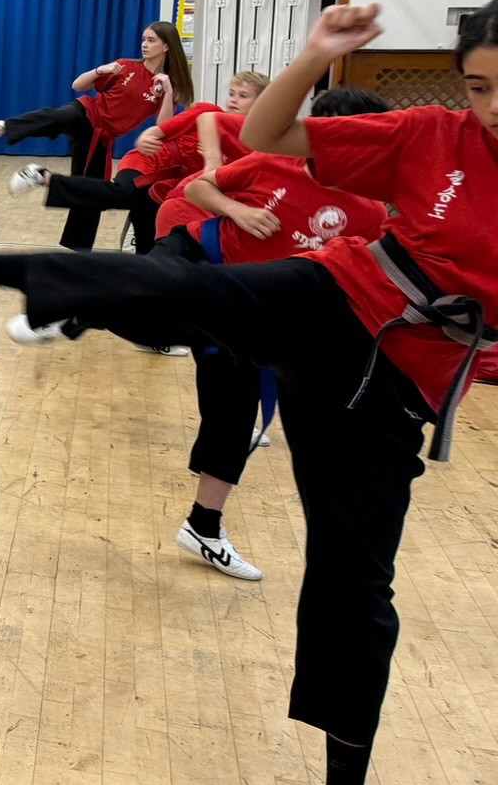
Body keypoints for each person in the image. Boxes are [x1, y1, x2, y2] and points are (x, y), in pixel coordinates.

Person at [0, 0, 498, 785]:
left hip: (391, 394)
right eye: (482, 86)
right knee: (195, 292)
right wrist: (315, 53)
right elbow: (268, 130)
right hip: (333, 302)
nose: (490, 106)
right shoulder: (434, 135)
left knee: (357, 591)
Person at [160, 87, 391, 582]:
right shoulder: (273, 165)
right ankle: (64, 304)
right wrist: (238, 211)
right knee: (146, 300)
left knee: (233, 415)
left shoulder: (371, 210)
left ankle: (203, 526)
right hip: (207, 264)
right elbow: (201, 188)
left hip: (255, 315)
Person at [7, 71, 266, 261]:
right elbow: (168, 127)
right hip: (151, 161)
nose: (233, 100)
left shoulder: (252, 146)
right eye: (232, 93)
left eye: (243, 96)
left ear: (261, 103)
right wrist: (154, 134)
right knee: (124, 194)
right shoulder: (209, 111)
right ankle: (44, 176)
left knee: (149, 251)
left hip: (168, 187)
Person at [0, 22, 192, 248]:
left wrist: (168, 92)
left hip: (101, 138)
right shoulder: (126, 67)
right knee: (60, 117)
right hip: (87, 113)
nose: (144, 45)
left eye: (151, 41)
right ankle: (4, 126)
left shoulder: (166, 86)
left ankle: (76, 247)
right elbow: (77, 85)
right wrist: (101, 70)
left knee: (90, 191)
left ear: (167, 46)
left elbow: (164, 126)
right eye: (143, 39)